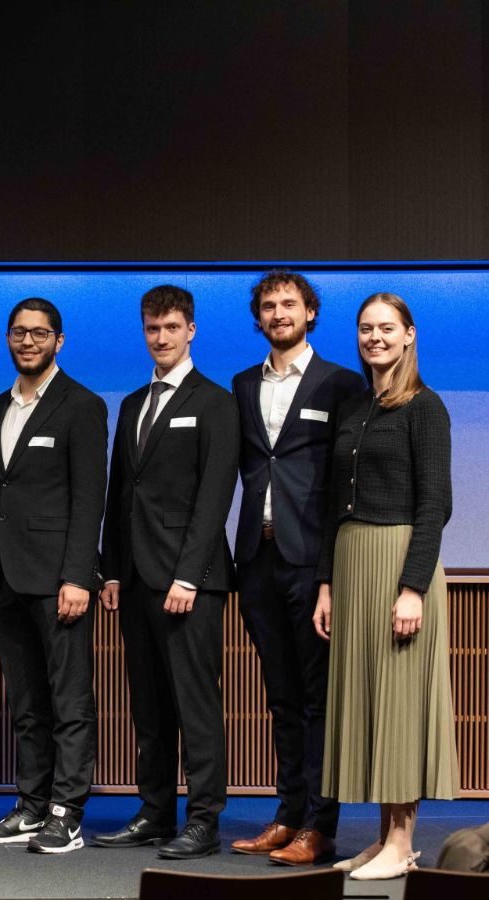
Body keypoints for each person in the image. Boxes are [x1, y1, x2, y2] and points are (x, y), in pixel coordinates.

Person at [313, 292, 458, 881]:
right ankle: (381, 840)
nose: (375, 337)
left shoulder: (426, 408)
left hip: (399, 564)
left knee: (399, 703)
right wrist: (327, 584)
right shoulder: (355, 407)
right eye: (366, 328)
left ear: (409, 335)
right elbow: (333, 506)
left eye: (387, 328)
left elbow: (435, 505)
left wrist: (413, 587)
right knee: (371, 703)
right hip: (352, 566)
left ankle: (402, 844)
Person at [96, 285, 238, 860]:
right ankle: (155, 812)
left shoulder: (216, 401)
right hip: (134, 580)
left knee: (194, 705)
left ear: (191, 330)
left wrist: (189, 575)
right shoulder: (133, 403)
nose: (162, 338)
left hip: (189, 583)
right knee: (149, 707)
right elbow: (119, 493)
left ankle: (204, 820)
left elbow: (215, 497)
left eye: (172, 327)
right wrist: (110, 570)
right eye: (153, 328)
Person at [229, 271, 365, 866]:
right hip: (257, 558)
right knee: (280, 698)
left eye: (289, 303)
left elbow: (344, 484)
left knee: (316, 701)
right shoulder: (241, 384)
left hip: (312, 562)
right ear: (258, 317)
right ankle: (287, 816)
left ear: (310, 312)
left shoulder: (341, 383)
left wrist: (331, 574)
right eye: (268, 305)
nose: (278, 313)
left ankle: (319, 825)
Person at [0, 298, 106, 854]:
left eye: (39, 333)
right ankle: (31, 805)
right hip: (1, 574)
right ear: (8, 338)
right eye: (19, 333)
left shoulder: (83, 405)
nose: (28, 342)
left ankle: (66, 813)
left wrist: (78, 576)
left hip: (57, 581)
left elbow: (89, 498)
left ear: (59, 340)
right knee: (27, 702)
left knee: (69, 701)